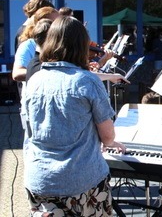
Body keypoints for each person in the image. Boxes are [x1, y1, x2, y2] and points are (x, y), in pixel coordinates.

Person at [22, 16, 125, 216]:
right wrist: (111, 142)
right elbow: (107, 137)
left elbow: (30, 129)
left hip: (39, 179)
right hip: (79, 180)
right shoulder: (87, 81)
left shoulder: (34, 81)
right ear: (81, 46)